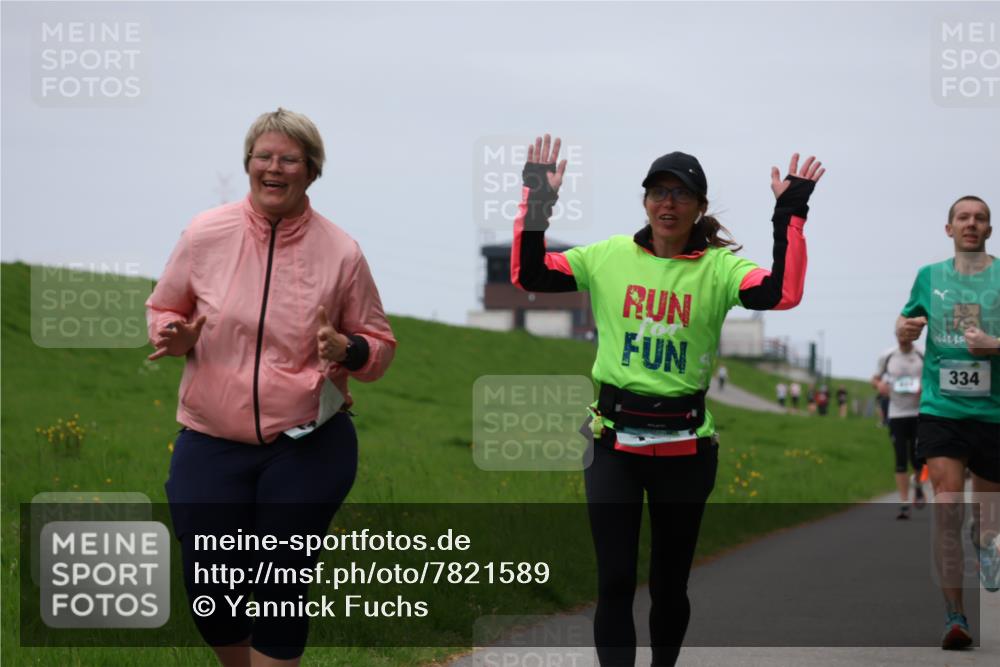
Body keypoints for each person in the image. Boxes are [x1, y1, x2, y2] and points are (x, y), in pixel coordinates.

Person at [511, 134, 823, 665]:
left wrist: (789, 213)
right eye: (657, 192)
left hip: (686, 450)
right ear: (645, 202)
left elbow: (782, 293)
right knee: (613, 581)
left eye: (681, 194)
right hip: (613, 445)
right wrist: (538, 200)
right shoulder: (610, 256)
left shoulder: (719, 269)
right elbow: (530, 273)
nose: (668, 203)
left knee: (668, 584)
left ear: (700, 207)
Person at [146, 108, 397, 666]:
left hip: (308, 442)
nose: (274, 168)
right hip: (211, 437)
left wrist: (348, 350)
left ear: (311, 171)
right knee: (211, 591)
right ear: (248, 165)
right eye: (264, 157)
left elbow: (378, 345)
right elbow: (165, 305)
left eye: (289, 159)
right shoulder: (204, 233)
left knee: (279, 582)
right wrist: (175, 333)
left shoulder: (341, 252)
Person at [896, 195, 999, 650]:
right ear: (949, 228)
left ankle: (986, 541)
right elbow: (905, 321)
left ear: (989, 231)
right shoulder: (929, 276)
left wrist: (992, 345)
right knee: (948, 506)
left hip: (993, 413)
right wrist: (903, 330)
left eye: (980, 218)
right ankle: (955, 617)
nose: (971, 224)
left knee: (988, 522)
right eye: (964, 218)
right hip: (942, 409)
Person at [872, 334, 926, 520]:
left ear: (913, 336)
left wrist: (925, 386)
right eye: (900, 334)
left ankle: (918, 485)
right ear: (896, 335)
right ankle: (904, 503)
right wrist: (879, 385)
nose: (903, 338)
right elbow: (875, 378)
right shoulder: (887, 356)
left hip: (919, 413)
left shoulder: (922, 354)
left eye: (907, 335)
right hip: (896, 414)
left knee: (918, 459)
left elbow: (934, 377)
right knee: (900, 458)